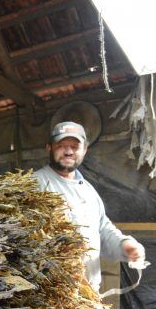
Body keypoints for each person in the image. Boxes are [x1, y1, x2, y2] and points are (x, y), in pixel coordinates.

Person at [33, 121, 145, 292]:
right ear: (49, 148)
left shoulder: (88, 190)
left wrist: (125, 245)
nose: (69, 151)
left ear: (84, 150)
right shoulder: (34, 184)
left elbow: (103, 231)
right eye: (62, 145)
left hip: (88, 294)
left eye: (74, 146)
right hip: (49, 297)